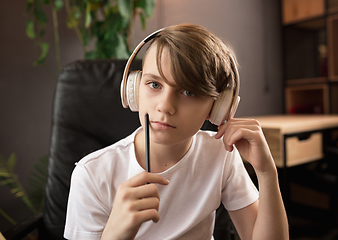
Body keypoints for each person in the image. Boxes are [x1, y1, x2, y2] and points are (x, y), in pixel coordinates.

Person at [64, 23, 289, 240]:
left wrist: (267, 172)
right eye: (154, 84)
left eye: (188, 92)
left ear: (219, 107)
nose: (165, 107)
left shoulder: (221, 154)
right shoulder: (92, 174)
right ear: (134, 88)